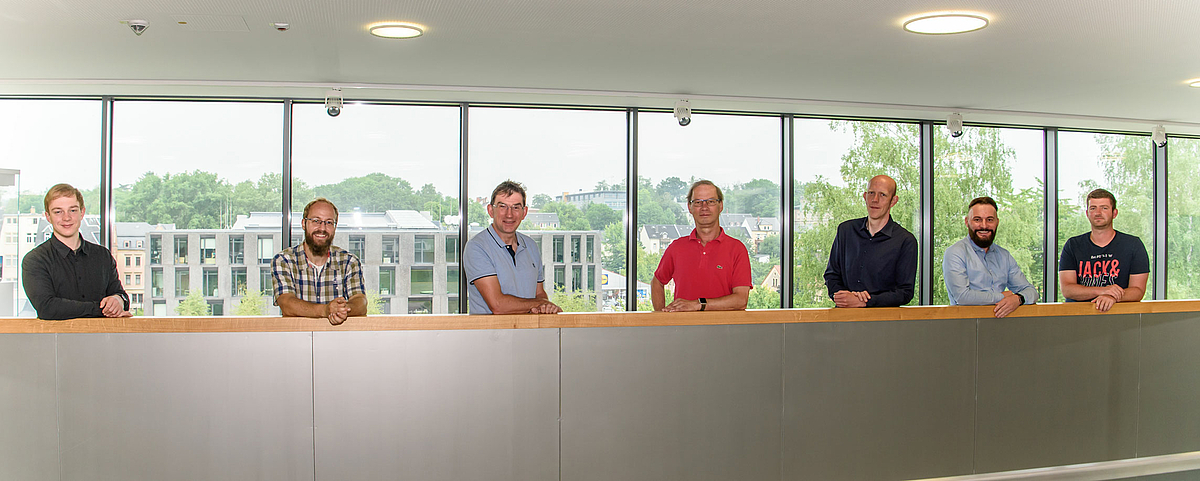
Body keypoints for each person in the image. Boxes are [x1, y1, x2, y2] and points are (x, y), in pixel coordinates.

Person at [22, 183, 130, 320]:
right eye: (58, 212)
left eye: (72, 210)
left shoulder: (102, 255)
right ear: (48, 217)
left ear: (82, 212)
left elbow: (120, 295)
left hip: (102, 339)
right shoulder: (35, 260)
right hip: (56, 340)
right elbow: (47, 308)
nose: (66, 218)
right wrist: (100, 309)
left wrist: (118, 300)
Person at [651, 180, 751, 312]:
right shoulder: (676, 248)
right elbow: (657, 282)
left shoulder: (737, 249)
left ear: (720, 206)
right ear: (690, 208)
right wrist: (661, 317)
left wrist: (699, 304)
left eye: (710, 201)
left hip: (725, 330)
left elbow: (741, 300)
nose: (704, 207)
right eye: (698, 202)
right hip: (683, 330)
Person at [463, 180, 561, 314]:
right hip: (490, 334)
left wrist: (545, 306)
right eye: (502, 206)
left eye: (516, 207)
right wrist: (540, 303)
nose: (509, 214)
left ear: (524, 212)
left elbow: (539, 293)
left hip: (529, 333)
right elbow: (498, 305)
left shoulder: (531, 246)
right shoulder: (476, 247)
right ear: (491, 210)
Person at [824, 174, 917, 307]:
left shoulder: (905, 241)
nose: (875, 199)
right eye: (871, 193)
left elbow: (905, 292)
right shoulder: (845, 230)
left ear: (893, 201)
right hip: (843, 317)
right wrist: (842, 296)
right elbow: (831, 275)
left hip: (883, 322)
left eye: (883, 195)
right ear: (864, 196)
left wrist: (864, 301)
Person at [272, 198, 366, 324]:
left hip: (340, 339)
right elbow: (287, 304)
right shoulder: (284, 261)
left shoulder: (349, 262)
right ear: (304, 224)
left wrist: (342, 310)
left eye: (328, 222)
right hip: (296, 338)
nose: (322, 228)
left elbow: (360, 302)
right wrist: (326, 310)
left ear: (335, 227)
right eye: (316, 221)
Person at [942, 196, 1038, 318]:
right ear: (967, 222)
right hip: (965, 325)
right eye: (977, 220)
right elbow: (962, 297)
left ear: (997, 222)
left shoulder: (1004, 256)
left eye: (990, 220)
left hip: (1001, 326)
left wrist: (1018, 299)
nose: (984, 225)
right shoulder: (955, 253)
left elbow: (1031, 292)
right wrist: (1003, 296)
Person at [1059, 188, 1148, 312]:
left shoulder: (1133, 245)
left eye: (1104, 208)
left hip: (1120, 316)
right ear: (1087, 213)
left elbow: (1138, 291)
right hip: (1078, 316)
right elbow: (1067, 289)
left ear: (1114, 213)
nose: (1098, 213)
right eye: (1093, 208)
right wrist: (1103, 290)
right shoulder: (1073, 245)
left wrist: (1112, 296)